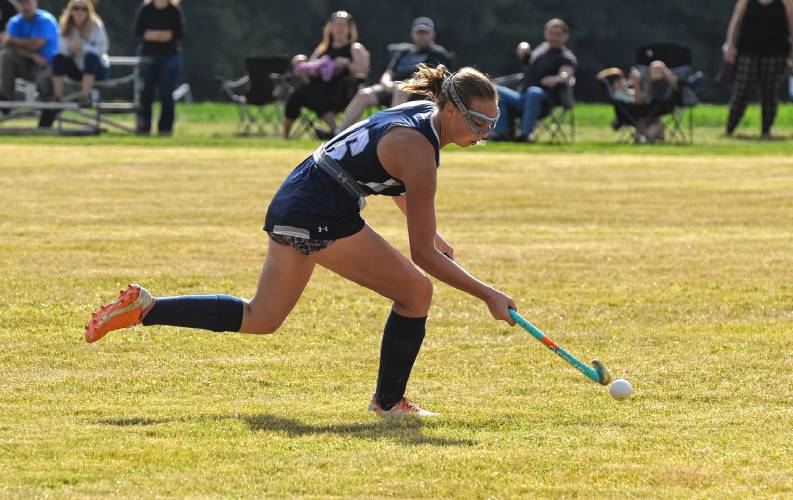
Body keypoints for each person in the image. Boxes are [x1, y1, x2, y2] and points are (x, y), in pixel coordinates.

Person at [85, 64, 517, 417]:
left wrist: (433, 232)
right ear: (452, 111)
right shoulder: (421, 152)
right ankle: (388, 403)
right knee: (416, 291)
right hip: (320, 210)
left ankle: (148, 308)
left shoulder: (421, 116)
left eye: (493, 122)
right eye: (479, 121)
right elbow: (421, 253)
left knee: (262, 317)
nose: (486, 131)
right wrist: (487, 295)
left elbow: (394, 182)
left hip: (300, 193)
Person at [315, 16, 452, 140]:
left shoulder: (438, 53)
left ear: (433, 35)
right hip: (392, 87)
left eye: (425, 33)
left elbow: (437, 79)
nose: (422, 37)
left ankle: (389, 133)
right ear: (413, 34)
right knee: (364, 94)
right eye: (419, 33)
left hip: (418, 91)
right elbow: (388, 72)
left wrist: (406, 84)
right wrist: (386, 83)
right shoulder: (404, 52)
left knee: (400, 89)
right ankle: (339, 134)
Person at [283, 10, 370, 139]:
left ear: (349, 28)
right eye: (336, 25)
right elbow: (310, 72)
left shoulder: (354, 48)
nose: (339, 28)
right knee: (296, 95)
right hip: (317, 88)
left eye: (343, 25)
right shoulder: (322, 49)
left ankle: (336, 133)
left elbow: (364, 71)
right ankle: (285, 136)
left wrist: (347, 64)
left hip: (341, 92)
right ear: (330, 27)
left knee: (317, 95)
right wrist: (302, 65)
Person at [491, 18, 577, 142]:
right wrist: (523, 47)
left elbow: (566, 75)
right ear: (545, 33)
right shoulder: (541, 49)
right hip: (522, 97)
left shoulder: (567, 57)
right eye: (551, 33)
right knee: (496, 90)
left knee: (534, 91)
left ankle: (526, 135)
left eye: (558, 34)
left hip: (545, 102)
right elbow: (526, 60)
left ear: (565, 36)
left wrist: (557, 79)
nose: (553, 37)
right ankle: (502, 134)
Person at [723, 0, 793, 138]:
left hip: (776, 52)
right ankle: (729, 129)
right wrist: (730, 44)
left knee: (770, 92)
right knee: (742, 90)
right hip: (748, 51)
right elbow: (735, 21)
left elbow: (792, 24)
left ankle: (766, 131)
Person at [0, 0, 57, 126]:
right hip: (27, 64)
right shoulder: (15, 21)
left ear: (36, 3)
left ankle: (48, 114)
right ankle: (6, 100)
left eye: (28, 3)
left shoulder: (45, 20)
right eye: (22, 3)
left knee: (45, 81)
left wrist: (15, 42)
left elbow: (36, 44)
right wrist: (31, 54)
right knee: (6, 55)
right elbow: (8, 45)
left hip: (46, 65)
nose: (26, 6)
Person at [133, 0, 185, 136]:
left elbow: (178, 34)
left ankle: (165, 129)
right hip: (147, 56)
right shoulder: (145, 9)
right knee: (146, 92)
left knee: (167, 92)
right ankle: (144, 128)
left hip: (170, 56)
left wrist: (153, 35)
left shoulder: (174, 11)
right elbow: (139, 32)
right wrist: (162, 35)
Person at [51, 0, 109, 104]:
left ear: (89, 11)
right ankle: (57, 97)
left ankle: (85, 97)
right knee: (57, 58)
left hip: (98, 71)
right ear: (70, 11)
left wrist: (83, 47)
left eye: (84, 9)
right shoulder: (64, 26)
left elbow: (102, 49)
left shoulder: (96, 26)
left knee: (90, 57)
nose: (80, 11)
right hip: (77, 70)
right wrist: (69, 49)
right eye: (76, 8)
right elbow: (59, 48)